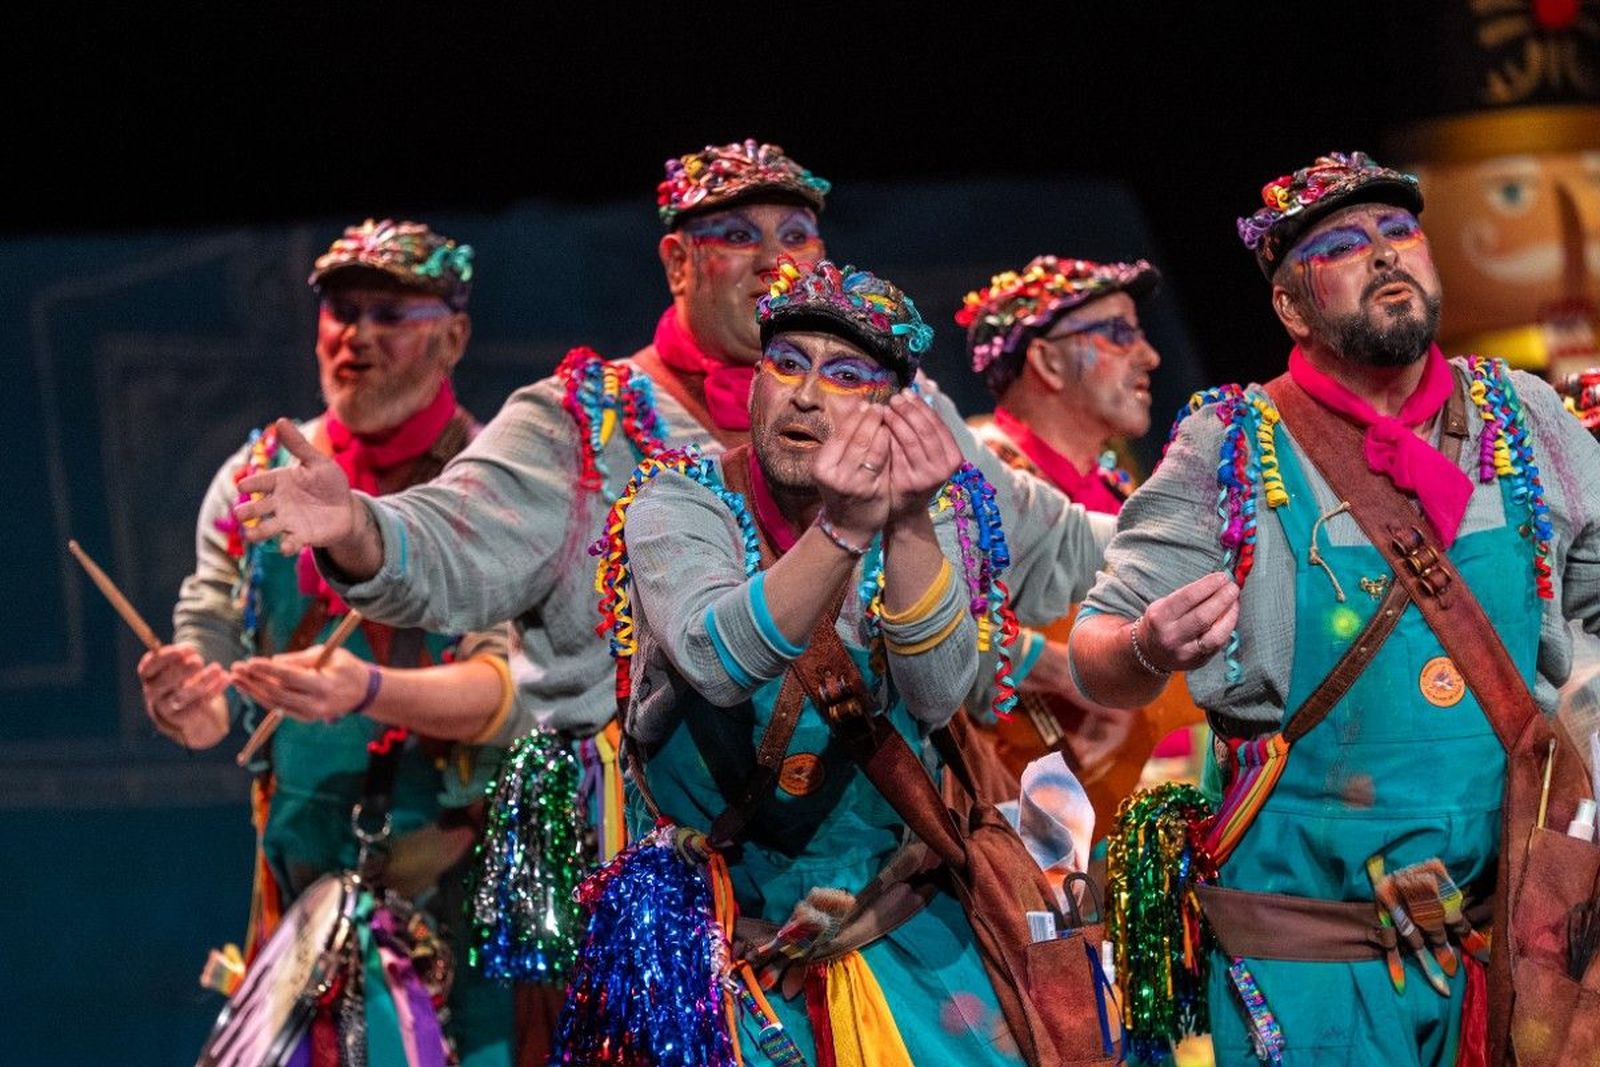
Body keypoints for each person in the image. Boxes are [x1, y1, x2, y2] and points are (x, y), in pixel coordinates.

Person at [1070, 152, 1600, 1065]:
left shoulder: (1525, 419)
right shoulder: (1231, 445)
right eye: (1345, 245)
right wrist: (1149, 645)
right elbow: (1094, 651)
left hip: (1507, 949)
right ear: (1290, 306)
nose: (1386, 253)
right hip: (1313, 963)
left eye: (1400, 232)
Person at [572, 258, 1026, 1064]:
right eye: (786, 364)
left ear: (895, 409)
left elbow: (938, 693)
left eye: (845, 375)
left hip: (881, 919)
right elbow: (715, 660)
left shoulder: (941, 509)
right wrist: (845, 530)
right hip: (715, 940)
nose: (807, 396)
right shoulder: (678, 501)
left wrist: (908, 521)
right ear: (754, 384)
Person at [138, 219, 519, 1065]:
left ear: (454, 337)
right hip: (304, 909)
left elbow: (512, 693)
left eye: (391, 314)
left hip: (461, 901)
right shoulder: (251, 479)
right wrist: (189, 704)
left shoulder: (498, 487)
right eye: (343, 312)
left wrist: (368, 689)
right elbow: (209, 650)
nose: (357, 336)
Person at [959, 256, 1204, 832]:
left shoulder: (1120, 489)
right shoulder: (971, 477)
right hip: (1024, 812)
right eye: (1118, 334)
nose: (1150, 356)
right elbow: (909, 623)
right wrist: (1065, 670)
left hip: (1141, 805)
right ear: (1046, 360)